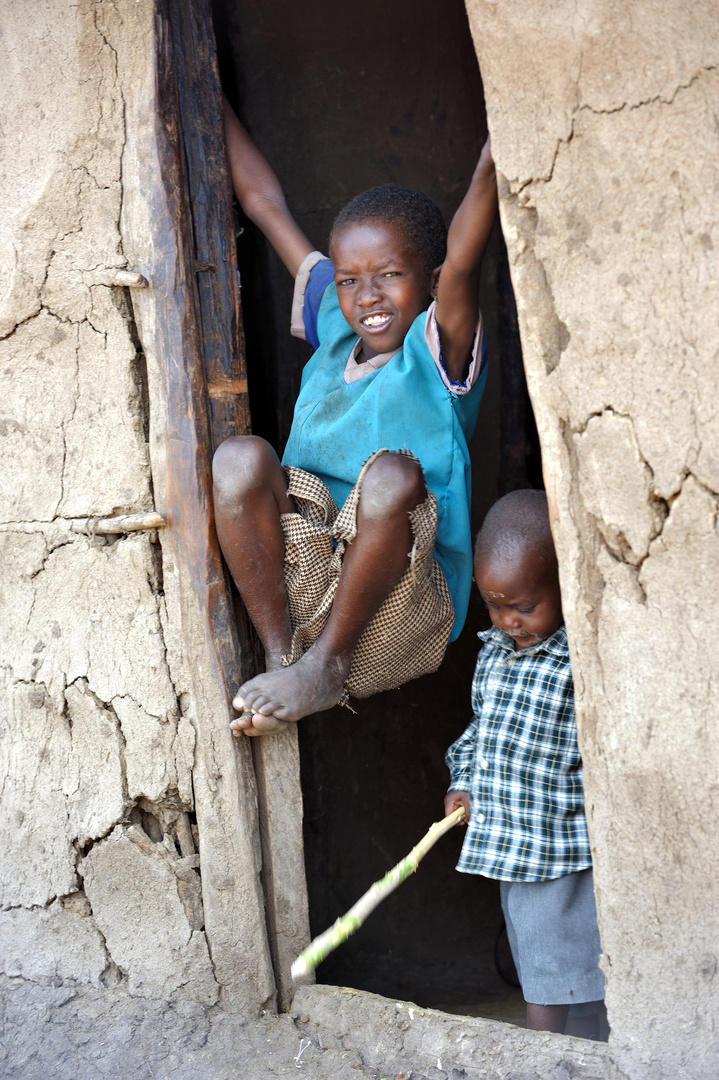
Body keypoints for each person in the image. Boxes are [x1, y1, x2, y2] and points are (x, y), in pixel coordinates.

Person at [213, 96, 498, 736]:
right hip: (308, 559)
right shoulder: (336, 331)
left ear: (428, 280)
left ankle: (328, 665)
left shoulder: (437, 348)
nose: (366, 296)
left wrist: (493, 160)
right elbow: (265, 207)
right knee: (238, 460)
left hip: (405, 587)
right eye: (348, 280)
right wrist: (205, 99)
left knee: (392, 475)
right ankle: (283, 651)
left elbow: (465, 258)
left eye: (390, 274)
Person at [444, 490, 605, 1038]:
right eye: (494, 605)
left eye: (525, 606)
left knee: (553, 970)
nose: (508, 620)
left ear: (565, 587)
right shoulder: (492, 654)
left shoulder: (577, 664)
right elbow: (478, 732)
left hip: (559, 846)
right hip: (510, 841)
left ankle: (542, 1056)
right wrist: (462, 783)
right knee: (554, 962)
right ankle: (577, 1051)